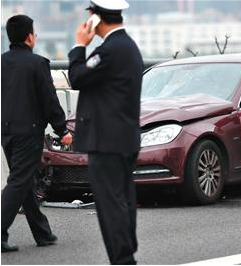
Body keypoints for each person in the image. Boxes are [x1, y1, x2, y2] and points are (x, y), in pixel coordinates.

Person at [68, 0, 143, 264]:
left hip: (107, 141)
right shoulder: (128, 46)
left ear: (96, 19)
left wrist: (79, 45)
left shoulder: (110, 50)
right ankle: (126, 255)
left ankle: (122, 260)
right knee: (123, 201)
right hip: (123, 138)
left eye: (90, 15)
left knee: (111, 205)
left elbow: (77, 77)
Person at [1, 15, 72, 252]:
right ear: (30, 37)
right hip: (28, 133)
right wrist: (62, 129)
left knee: (25, 181)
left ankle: (42, 233)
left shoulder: (2, 62)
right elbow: (49, 101)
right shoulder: (37, 63)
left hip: (6, 132)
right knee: (19, 181)